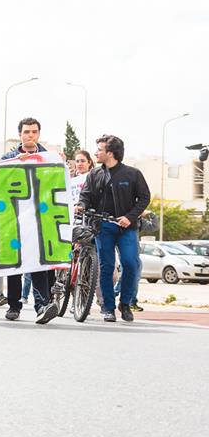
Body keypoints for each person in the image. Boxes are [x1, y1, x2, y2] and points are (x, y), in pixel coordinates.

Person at [77, 135, 150, 323]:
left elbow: (144, 198)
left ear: (110, 153)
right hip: (102, 227)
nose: (96, 153)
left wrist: (129, 217)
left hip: (127, 228)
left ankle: (125, 304)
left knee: (130, 264)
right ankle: (108, 307)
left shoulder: (133, 174)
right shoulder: (94, 174)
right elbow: (85, 195)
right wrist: (81, 205)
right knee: (107, 267)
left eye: (99, 150)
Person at [0, 117, 58, 324]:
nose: (30, 135)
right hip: (14, 217)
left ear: (39, 134)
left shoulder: (49, 158)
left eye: (34, 132)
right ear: (20, 134)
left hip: (39, 218)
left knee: (38, 261)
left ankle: (41, 305)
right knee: (14, 263)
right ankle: (14, 305)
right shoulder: (8, 157)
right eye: (26, 132)